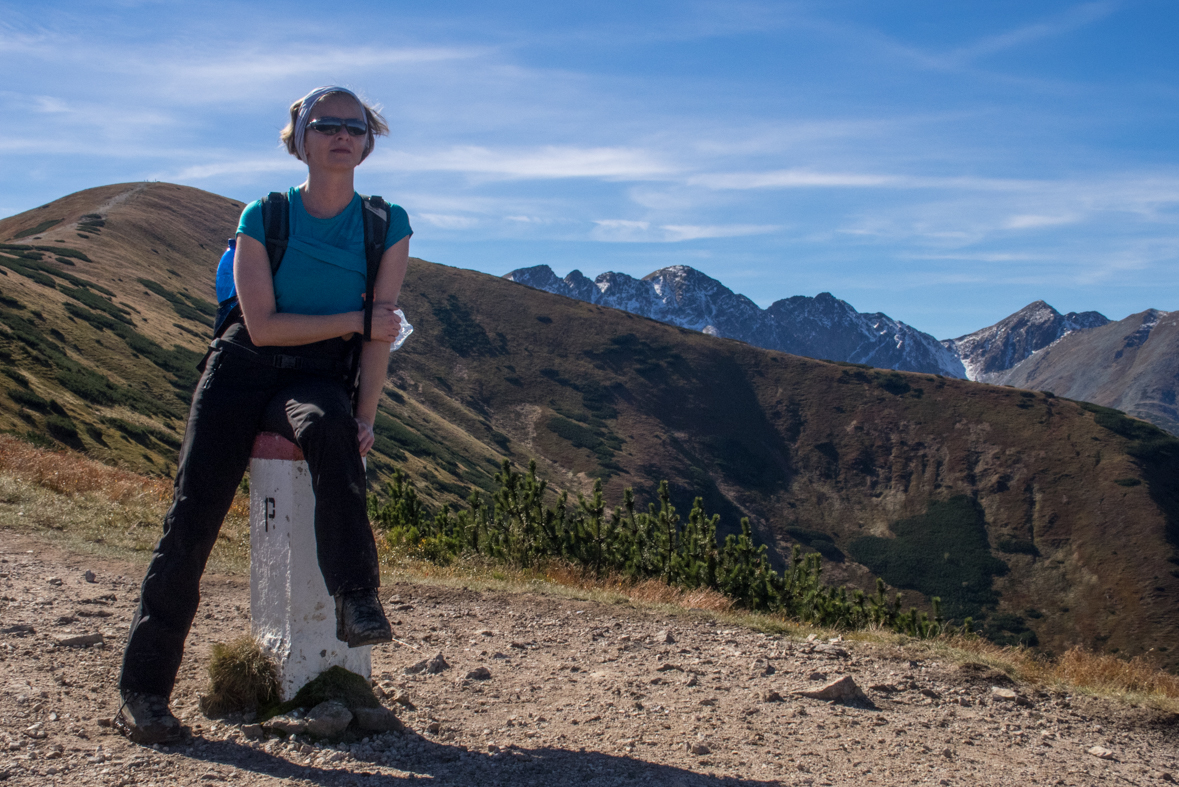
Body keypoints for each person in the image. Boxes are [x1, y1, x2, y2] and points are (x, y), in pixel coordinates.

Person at [116, 86, 412, 745]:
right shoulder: (265, 215)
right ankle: (142, 691)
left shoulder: (385, 225)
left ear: (368, 141)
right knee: (192, 519)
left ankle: (356, 595)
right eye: (325, 124)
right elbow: (265, 324)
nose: (341, 135)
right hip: (241, 368)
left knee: (332, 430)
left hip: (317, 375)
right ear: (299, 138)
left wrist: (366, 414)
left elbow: (380, 334)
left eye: (355, 126)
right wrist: (360, 317)